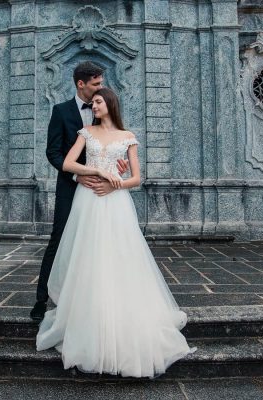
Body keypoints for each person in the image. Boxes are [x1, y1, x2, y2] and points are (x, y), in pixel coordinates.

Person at [36, 87, 196, 378]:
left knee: (119, 257)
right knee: (88, 257)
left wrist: (114, 184)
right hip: (88, 201)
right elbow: (68, 163)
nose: (93, 106)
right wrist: (96, 172)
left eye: (98, 102)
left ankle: (122, 315)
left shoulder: (127, 136)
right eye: (92, 102)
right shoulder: (86, 132)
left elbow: (136, 178)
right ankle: (89, 317)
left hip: (116, 202)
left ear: (109, 103)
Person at [30, 61, 129, 321]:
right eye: (96, 83)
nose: (101, 87)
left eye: (101, 83)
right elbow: (53, 152)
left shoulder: (103, 109)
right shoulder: (61, 111)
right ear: (81, 83)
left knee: (100, 241)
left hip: (101, 189)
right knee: (60, 238)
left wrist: (120, 164)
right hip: (70, 185)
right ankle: (42, 299)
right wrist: (77, 175)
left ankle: (93, 297)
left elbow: (114, 144)